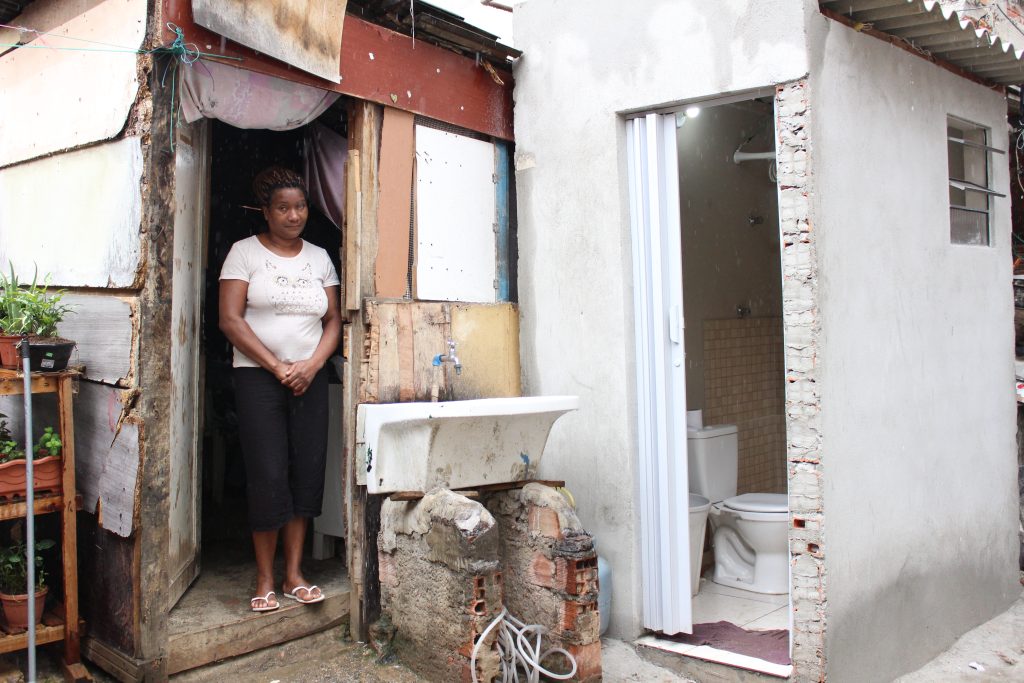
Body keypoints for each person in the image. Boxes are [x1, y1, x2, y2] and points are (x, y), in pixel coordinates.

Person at [218, 166, 341, 612]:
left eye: (300, 207)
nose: (294, 216)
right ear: (266, 211)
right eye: (283, 208)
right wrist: (277, 366)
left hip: (310, 377)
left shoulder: (320, 257)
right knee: (267, 473)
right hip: (258, 378)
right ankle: (265, 577)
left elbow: (332, 321)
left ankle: (294, 574)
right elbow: (230, 319)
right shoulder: (244, 253)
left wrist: (312, 365)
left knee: (305, 470)